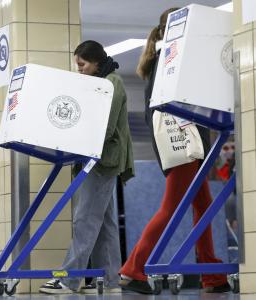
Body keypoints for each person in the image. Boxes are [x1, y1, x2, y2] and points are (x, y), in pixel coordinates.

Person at [118, 8, 230, 294]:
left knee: (202, 206)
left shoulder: (164, 58)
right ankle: (133, 268)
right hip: (181, 141)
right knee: (171, 208)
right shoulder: (171, 57)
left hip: (186, 141)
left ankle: (211, 273)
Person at [39, 40, 134, 295]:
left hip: (102, 160)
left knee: (85, 219)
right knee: (104, 222)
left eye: (82, 65)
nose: (79, 69)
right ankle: (109, 280)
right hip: (97, 158)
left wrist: (76, 142)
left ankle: (69, 279)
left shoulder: (112, 82)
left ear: (96, 62)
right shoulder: (99, 83)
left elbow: (107, 126)